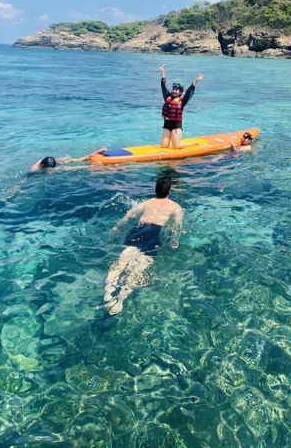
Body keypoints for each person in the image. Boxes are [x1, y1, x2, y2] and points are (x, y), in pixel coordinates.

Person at [104, 176, 183, 315]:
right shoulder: (175, 207)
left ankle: (108, 292)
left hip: (139, 229)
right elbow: (177, 226)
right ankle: (121, 298)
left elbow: (129, 214)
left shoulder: (147, 202)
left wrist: (117, 228)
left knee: (122, 261)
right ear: (169, 191)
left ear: (155, 190)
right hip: (154, 233)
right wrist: (174, 240)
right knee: (139, 267)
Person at [160, 65, 204, 149]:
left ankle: (193, 143)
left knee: (176, 147)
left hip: (176, 126)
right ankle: (172, 142)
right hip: (166, 125)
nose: (174, 91)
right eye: (173, 89)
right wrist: (162, 73)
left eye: (176, 90)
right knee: (163, 146)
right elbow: (163, 86)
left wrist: (196, 81)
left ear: (180, 92)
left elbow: (189, 92)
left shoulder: (182, 101)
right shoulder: (167, 97)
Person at [28, 149, 106, 173]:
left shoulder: (43, 161)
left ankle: (95, 153)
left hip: (52, 163)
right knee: (69, 167)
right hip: (47, 165)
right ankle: (89, 166)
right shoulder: (33, 170)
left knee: (75, 160)